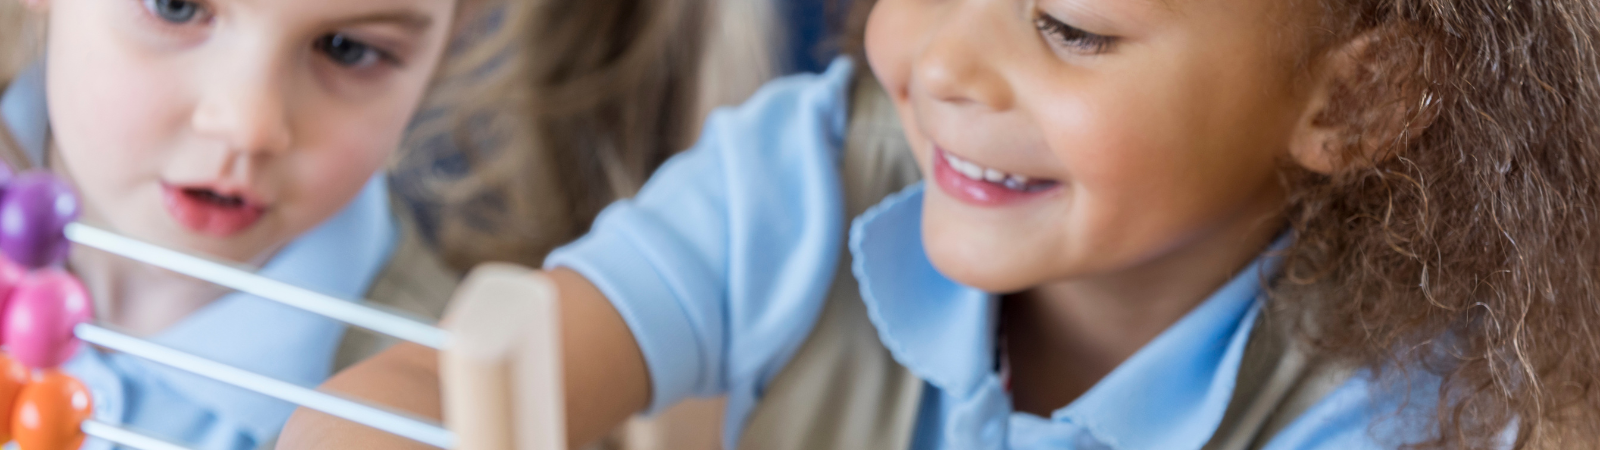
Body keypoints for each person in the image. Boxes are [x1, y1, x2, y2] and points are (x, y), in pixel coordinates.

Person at [283, 0, 1600, 448]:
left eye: (1070, 27)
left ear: (1353, 96)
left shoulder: (1393, 403)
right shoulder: (808, 173)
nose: (944, 65)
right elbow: (469, 380)